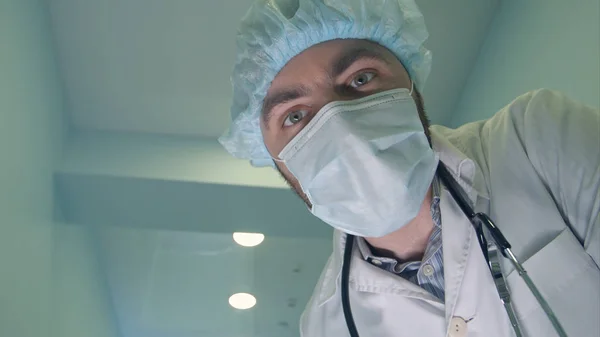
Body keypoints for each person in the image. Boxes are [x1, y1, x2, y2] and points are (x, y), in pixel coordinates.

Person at [218, 0, 600, 336]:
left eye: (360, 78)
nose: (343, 128)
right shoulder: (326, 325)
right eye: (295, 115)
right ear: (276, 161)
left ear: (411, 85)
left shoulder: (537, 138)